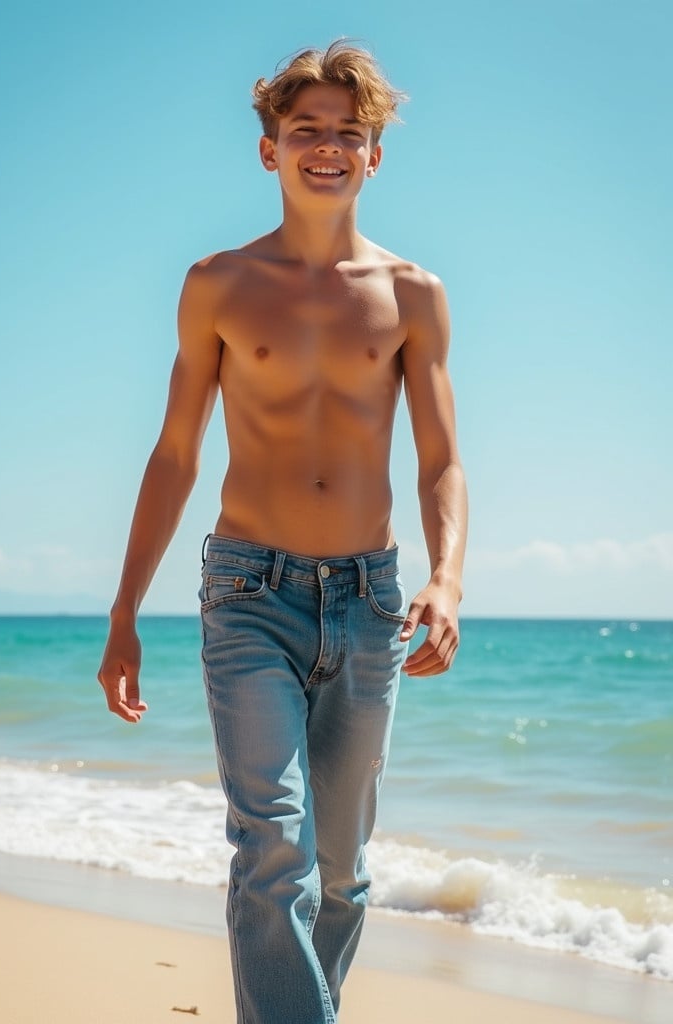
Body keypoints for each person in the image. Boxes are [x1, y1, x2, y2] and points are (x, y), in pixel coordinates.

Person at [98, 40, 467, 1024]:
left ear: (375, 155)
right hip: (248, 595)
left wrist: (449, 580)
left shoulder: (413, 294)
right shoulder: (217, 284)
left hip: (368, 603)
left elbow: (440, 460)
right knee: (273, 848)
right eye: (306, 129)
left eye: (349, 133)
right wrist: (125, 609)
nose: (328, 148)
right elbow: (175, 451)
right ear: (270, 149)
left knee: (340, 875)